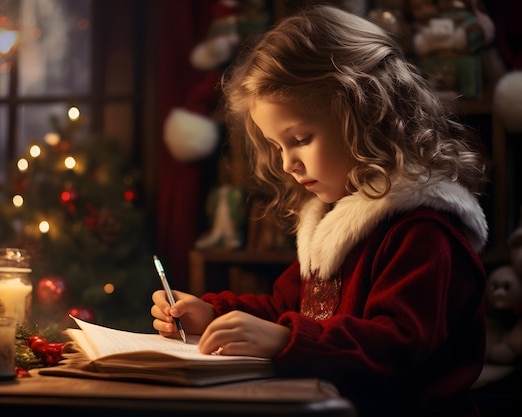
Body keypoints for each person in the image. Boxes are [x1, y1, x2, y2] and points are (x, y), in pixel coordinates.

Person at [151, 5, 488, 417]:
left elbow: (396, 346)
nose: (286, 163)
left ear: (367, 114)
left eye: (301, 138)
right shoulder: (335, 225)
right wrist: (212, 313)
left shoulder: (424, 234)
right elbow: (286, 310)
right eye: (277, 146)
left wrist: (282, 341)